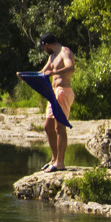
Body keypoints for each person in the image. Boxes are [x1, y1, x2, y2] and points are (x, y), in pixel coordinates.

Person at [36, 34, 75, 173]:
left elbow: (71, 67)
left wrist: (53, 73)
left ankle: (60, 163)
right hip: (53, 93)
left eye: (43, 47)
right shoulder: (52, 56)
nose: (44, 49)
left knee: (60, 128)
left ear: (46, 44)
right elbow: (42, 73)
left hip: (63, 91)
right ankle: (54, 159)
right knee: (48, 127)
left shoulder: (65, 52)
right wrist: (26, 76)